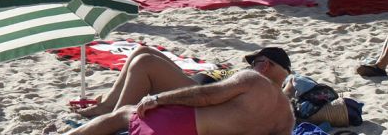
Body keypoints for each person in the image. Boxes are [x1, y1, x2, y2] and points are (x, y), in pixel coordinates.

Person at [65, 47, 295, 135]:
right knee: (142, 51)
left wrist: (156, 98)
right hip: (198, 92)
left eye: (258, 61)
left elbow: (206, 97)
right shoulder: (283, 113)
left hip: (198, 96)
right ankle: (107, 104)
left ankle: (113, 117)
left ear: (267, 65)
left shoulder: (256, 83)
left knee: (144, 63)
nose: (254, 64)